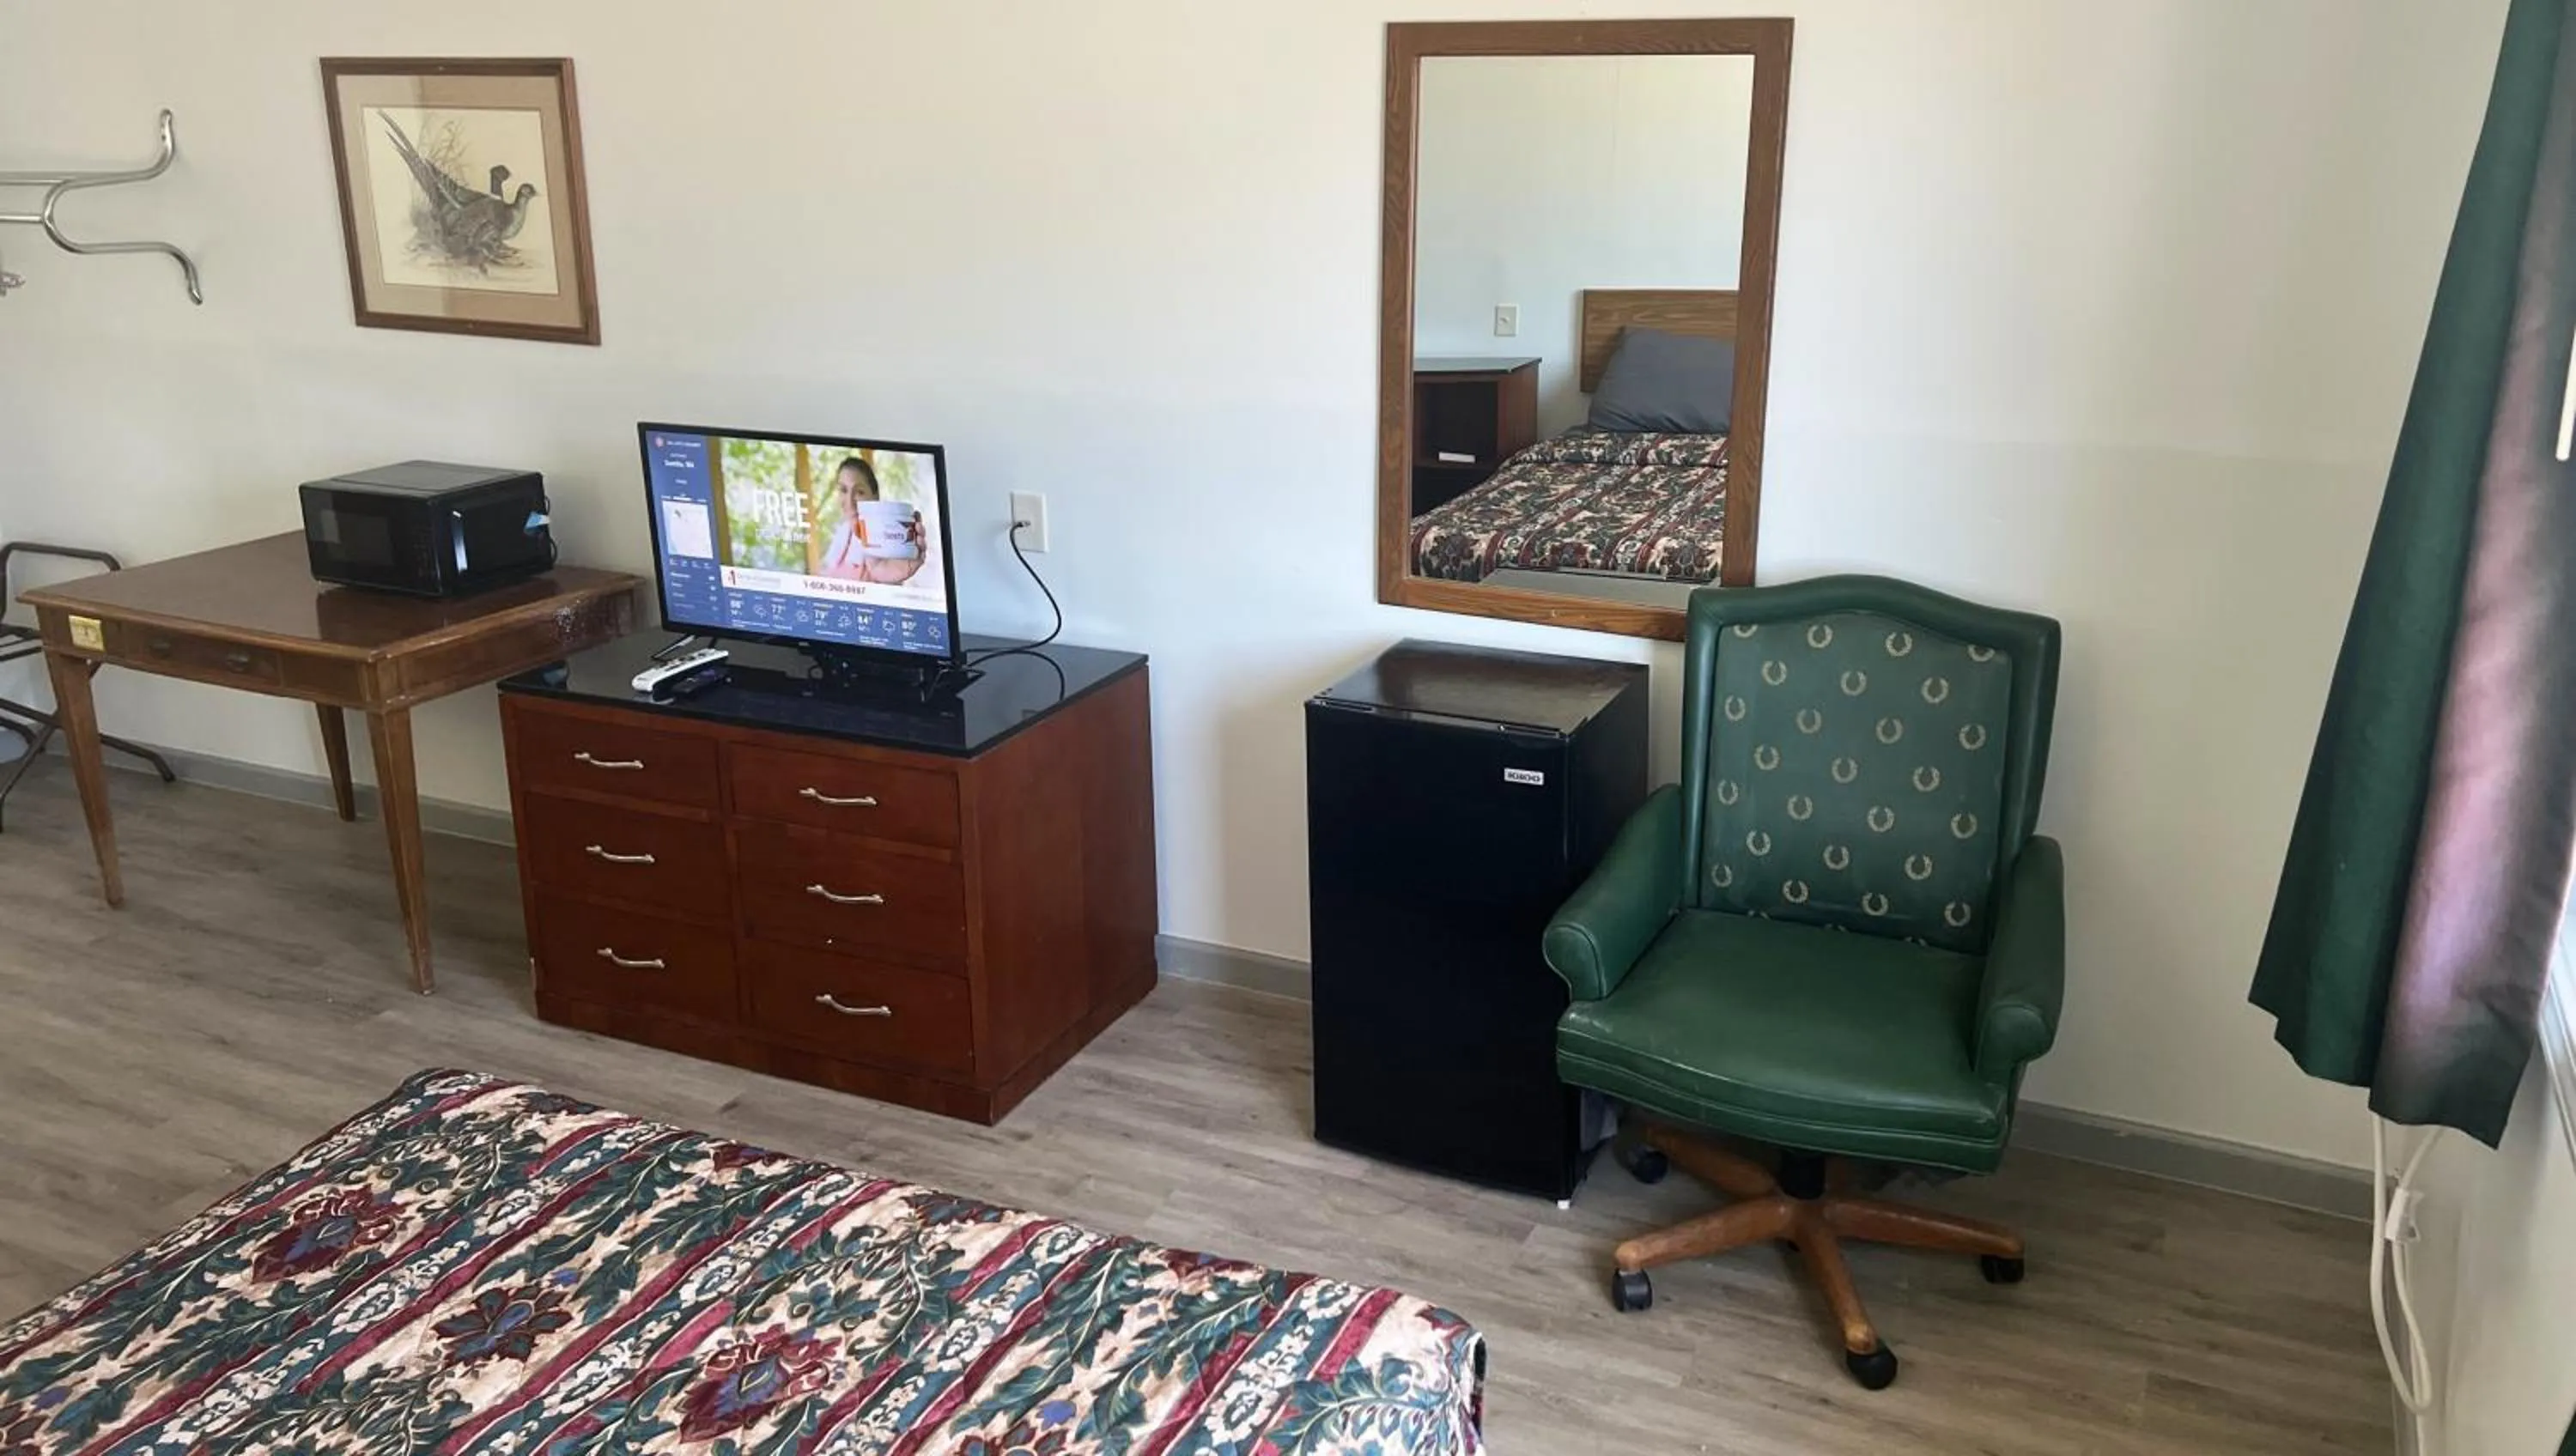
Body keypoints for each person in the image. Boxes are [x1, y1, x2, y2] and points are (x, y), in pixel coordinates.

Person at [817, 456, 926, 585]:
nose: (850, 501)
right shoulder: (841, 535)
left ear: (875, 496)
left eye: (860, 492)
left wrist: (888, 578)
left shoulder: (888, 542)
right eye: (843, 490)